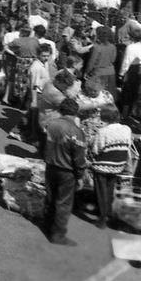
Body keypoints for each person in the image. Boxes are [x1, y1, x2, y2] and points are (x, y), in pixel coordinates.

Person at [42, 97, 88, 246]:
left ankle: (47, 225)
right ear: (76, 114)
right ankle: (58, 235)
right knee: (63, 204)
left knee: (50, 198)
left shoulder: (51, 125)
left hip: (50, 167)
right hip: (66, 172)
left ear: (61, 110)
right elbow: (79, 158)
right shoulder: (77, 132)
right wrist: (80, 176)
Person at [89, 105, 132, 229]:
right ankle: (107, 212)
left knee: (101, 191)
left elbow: (96, 149)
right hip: (119, 165)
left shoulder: (103, 131)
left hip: (103, 166)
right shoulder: (126, 129)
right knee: (109, 189)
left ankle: (102, 218)